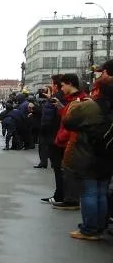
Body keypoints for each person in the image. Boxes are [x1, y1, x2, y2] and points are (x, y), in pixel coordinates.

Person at [61, 71, 113, 239]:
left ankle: (89, 229)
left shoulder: (90, 106)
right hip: (107, 154)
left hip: (88, 153)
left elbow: (67, 122)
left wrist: (75, 107)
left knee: (89, 192)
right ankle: (100, 227)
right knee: (101, 192)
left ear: (97, 90)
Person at [51, 74, 88, 209]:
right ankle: (69, 198)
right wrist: (61, 108)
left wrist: (61, 138)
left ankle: (71, 200)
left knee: (70, 171)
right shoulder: (72, 100)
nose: (61, 88)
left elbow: (72, 122)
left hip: (71, 141)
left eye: (63, 85)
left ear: (70, 84)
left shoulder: (78, 100)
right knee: (66, 170)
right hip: (68, 140)